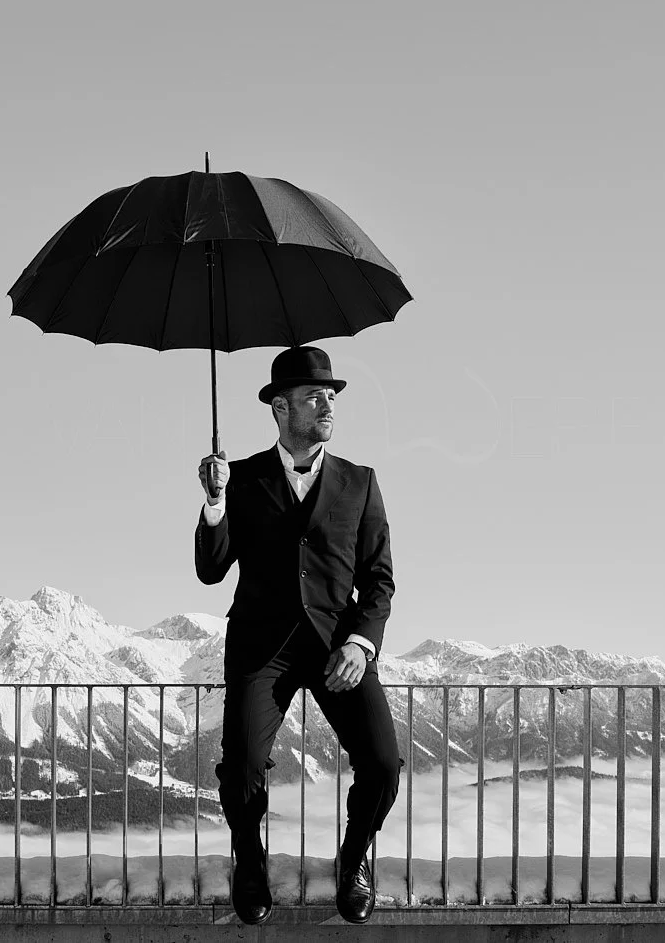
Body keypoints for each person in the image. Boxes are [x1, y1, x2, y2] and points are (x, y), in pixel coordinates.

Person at [195, 345, 400, 925]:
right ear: (280, 408)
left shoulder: (361, 483)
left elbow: (380, 580)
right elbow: (212, 570)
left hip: (339, 648)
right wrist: (215, 504)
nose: (327, 404)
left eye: (330, 395)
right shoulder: (242, 479)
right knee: (240, 767)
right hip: (263, 650)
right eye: (313, 397)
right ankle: (250, 861)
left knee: (383, 763)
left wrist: (361, 644)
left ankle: (354, 858)